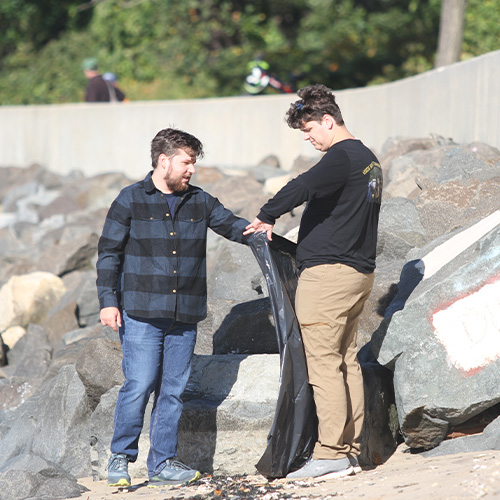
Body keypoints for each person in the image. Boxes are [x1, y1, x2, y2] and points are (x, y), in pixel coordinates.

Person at [96, 128, 250, 487]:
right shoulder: (129, 199)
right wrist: (108, 302)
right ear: (163, 161)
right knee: (139, 383)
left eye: (193, 163)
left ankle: (162, 463)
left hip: (185, 314)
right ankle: (120, 458)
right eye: (186, 162)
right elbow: (108, 254)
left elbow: (232, 226)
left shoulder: (200, 201)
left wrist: (261, 230)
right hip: (140, 312)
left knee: (173, 391)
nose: (191, 170)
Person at [244, 84, 383, 480]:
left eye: (309, 129)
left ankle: (331, 452)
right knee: (345, 361)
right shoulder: (370, 160)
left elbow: (302, 186)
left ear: (328, 120)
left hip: (328, 276)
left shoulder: (342, 156)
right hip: (358, 273)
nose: (307, 137)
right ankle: (354, 449)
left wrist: (267, 215)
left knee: (322, 364)